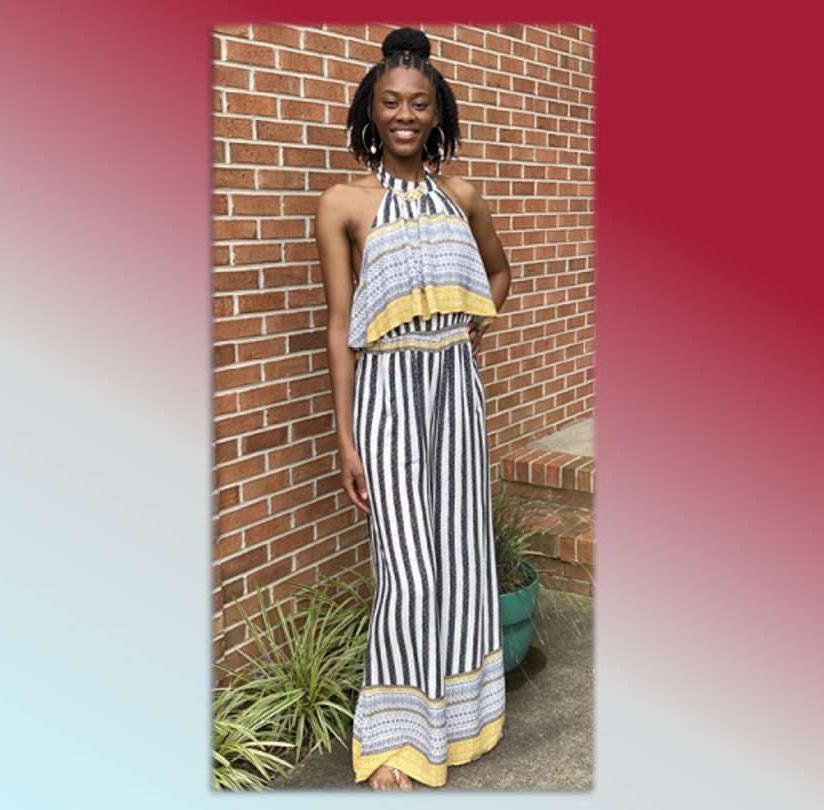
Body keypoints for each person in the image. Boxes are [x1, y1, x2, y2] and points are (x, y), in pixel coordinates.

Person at [314, 27, 512, 790]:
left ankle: (461, 722)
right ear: (372, 109)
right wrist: (344, 435)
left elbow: (500, 275)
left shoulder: (461, 195)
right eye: (390, 102)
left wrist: (465, 335)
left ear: (437, 113)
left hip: (454, 390)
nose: (404, 114)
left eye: (419, 104)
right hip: (387, 397)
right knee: (408, 568)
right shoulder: (343, 203)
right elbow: (340, 324)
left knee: (461, 557)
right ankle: (399, 740)